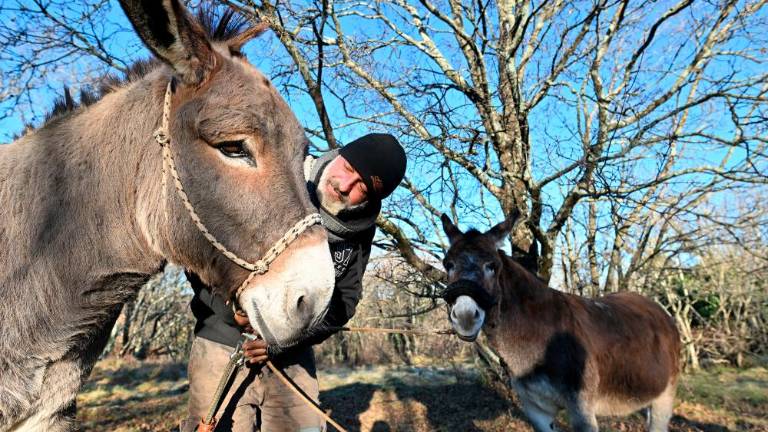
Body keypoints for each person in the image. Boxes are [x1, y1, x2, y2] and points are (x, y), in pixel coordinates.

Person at [180, 133, 407, 432]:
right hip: (222, 339)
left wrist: (285, 341)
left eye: (361, 189)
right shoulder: (273, 177)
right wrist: (227, 308)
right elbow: (199, 251)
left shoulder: (360, 231)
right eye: (349, 169)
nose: (345, 186)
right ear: (339, 154)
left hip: (292, 353)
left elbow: (345, 301)